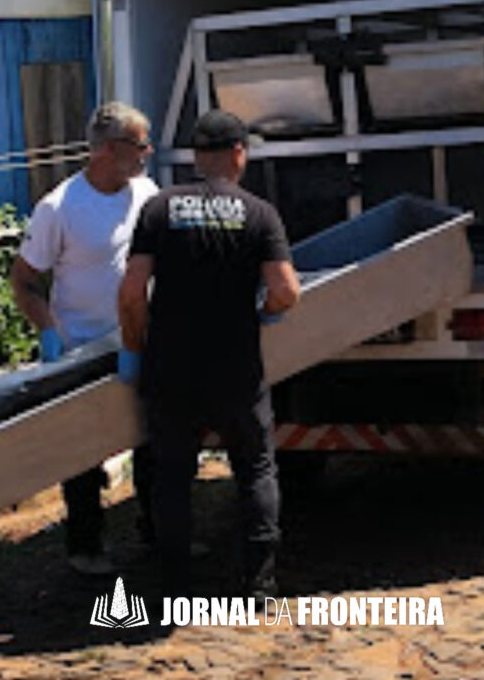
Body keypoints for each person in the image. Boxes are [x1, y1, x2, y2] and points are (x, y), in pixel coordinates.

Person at [118, 109, 301, 599]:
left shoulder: (158, 209)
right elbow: (285, 290)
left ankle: (176, 586)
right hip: (235, 370)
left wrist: (135, 348)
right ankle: (258, 585)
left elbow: (132, 291)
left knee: (172, 474)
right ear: (239, 154)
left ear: (198, 157)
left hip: (170, 369)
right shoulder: (260, 213)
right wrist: (264, 311)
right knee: (255, 470)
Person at [10, 101, 158, 576]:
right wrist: (49, 332)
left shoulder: (146, 194)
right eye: (140, 146)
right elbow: (25, 280)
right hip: (83, 348)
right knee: (83, 456)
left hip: (141, 340)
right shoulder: (60, 207)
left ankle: (159, 533)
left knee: (156, 444)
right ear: (110, 150)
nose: (147, 154)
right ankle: (86, 547)